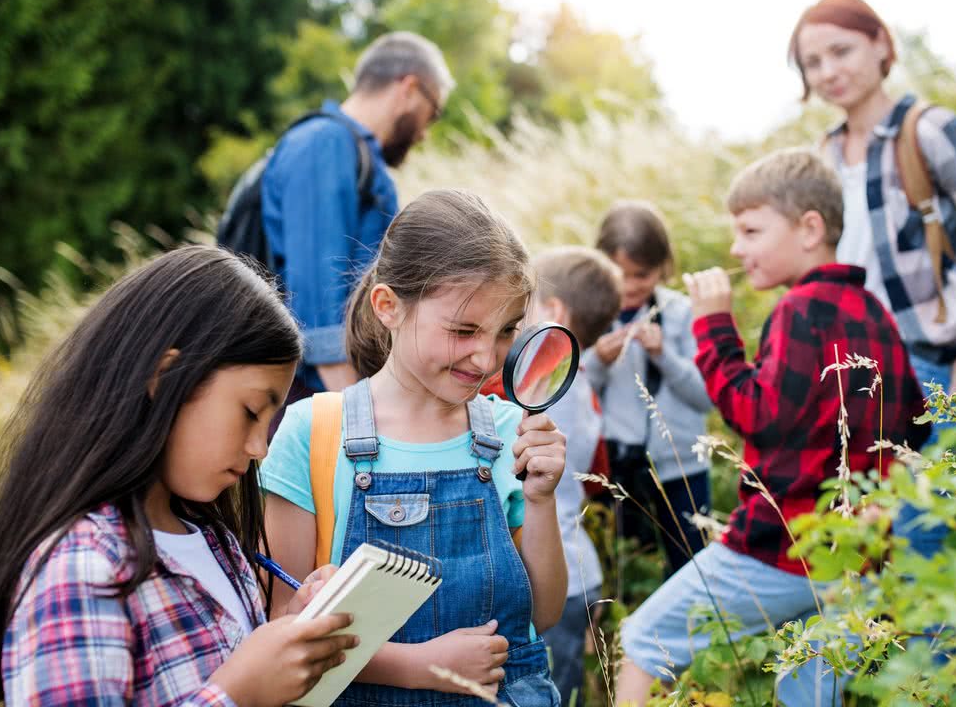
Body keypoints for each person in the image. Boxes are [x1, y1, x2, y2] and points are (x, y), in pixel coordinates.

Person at [0, 246, 358, 705]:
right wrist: (236, 695)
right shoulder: (83, 569)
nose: (258, 447)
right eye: (250, 411)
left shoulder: (215, 542)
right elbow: (230, 685)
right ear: (164, 377)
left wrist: (290, 634)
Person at [614, 149, 930, 706]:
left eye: (751, 230)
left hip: (780, 546)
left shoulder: (799, 310)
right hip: (852, 554)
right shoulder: (873, 310)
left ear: (810, 229)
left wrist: (714, 326)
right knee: (808, 691)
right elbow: (914, 423)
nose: (737, 249)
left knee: (642, 642)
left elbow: (756, 416)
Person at [259, 189, 567, 706]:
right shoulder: (313, 433)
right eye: (463, 329)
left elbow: (543, 614)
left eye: (506, 331)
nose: (486, 356)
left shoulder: (511, 430)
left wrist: (541, 499)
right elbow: (283, 623)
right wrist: (416, 667)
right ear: (389, 307)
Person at [790, 0, 956, 556]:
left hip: (925, 364)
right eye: (813, 62)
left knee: (915, 541)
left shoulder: (931, 132)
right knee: (855, 544)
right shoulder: (823, 154)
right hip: (846, 371)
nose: (829, 71)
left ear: (880, 43)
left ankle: (936, 649)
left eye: (841, 50)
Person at [261, 31, 454, 411]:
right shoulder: (324, 143)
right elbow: (318, 304)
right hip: (311, 400)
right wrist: (359, 420)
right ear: (409, 88)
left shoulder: (357, 154)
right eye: (432, 113)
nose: (425, 133)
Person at [584, 201, 712, 575]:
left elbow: (705, 397)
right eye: (618, 274)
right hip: (613, 468)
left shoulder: (682, 313)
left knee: (692, 567)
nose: (629, 287)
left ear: (663, 268)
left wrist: (665, 355)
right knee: (616, 569)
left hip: (681, 468)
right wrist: (597, 363)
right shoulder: (589, 315)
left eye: (641, 275)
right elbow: (571, 395)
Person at [527, 246, 621, 707]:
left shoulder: (544, 389)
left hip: (558, 577)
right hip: (578, 568)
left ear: (554, 313)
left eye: (525, 305)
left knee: (552, 693)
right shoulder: (579, 383)